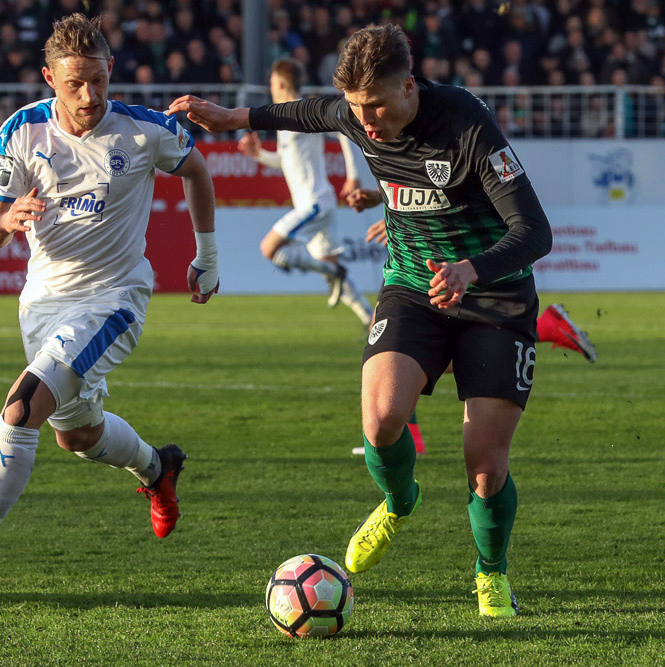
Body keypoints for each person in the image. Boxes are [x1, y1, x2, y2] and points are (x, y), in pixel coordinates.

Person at [169, 23, 553, 617]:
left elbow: (535, 232)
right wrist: (232, 118)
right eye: (356, 108)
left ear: (410, 87)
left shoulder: (467, 122)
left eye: (375, 105)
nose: (365, 121)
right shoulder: (354, 113)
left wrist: (470, 270)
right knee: (380, 421)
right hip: (412, 288)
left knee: (484, 467)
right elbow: (304, 111)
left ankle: (491, 572)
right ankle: (400, 501)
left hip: (494, 299)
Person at [0, 14, 219, 593]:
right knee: (75, 436)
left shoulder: (143, 129)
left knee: (21, 407)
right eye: (75, 83)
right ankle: (159, 468)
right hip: (44, 303)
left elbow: (197, 170)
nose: (89, 95)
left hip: (115, 299)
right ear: (50, 76)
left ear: (110, 71)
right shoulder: (20, 132)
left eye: (98, 79)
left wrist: (208, 256)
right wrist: (5, 219)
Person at [237, 58, 374, 326]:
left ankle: (333, 269)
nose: (270, 88)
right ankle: (370, 320)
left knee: (269, 248)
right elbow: (285, 161)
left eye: (271, 83)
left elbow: (343, 132)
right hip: (315, 205)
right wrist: (259, 155)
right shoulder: (284, 118)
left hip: (315, 204)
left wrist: (353, 175)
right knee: (332, 276)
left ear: (280, 83)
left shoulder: (304, 111)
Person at [360, 216, 596, 362]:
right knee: (398, 350)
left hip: (428, 253)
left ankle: (402, 439)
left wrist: (408, 216)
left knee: (395, 348)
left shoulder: (466, 141)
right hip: (413, 249)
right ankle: (546, 327)